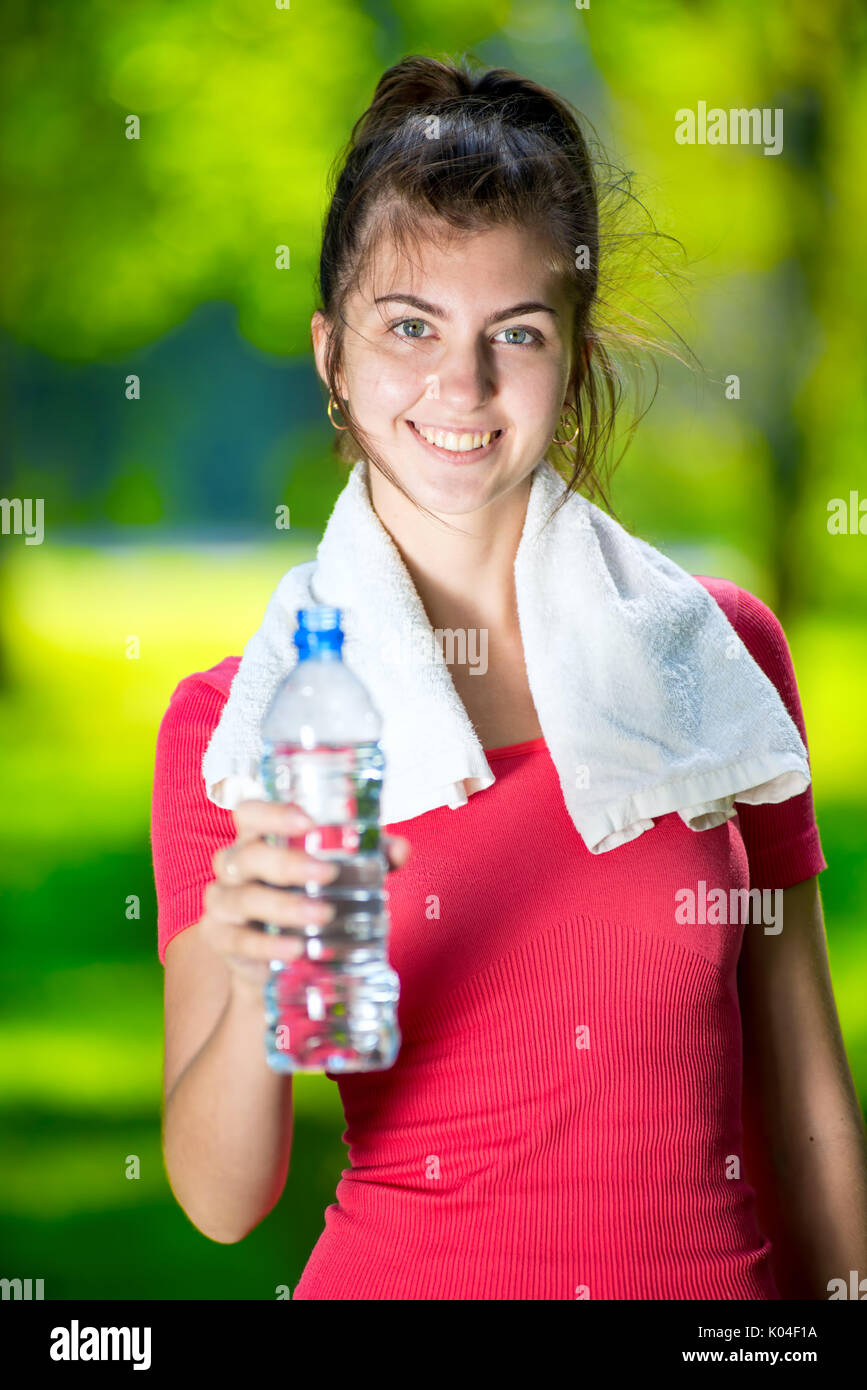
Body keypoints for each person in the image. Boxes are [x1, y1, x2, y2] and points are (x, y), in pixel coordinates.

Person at [151, 54, 867, 1299]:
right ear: (332, 353)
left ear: (575, 357)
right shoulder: (241, 730)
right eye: (410, 326)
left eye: (516, 333)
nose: (461, 386)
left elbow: (803, 1093)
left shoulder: (719, 654)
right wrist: (252, 957)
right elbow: (223, 1202)